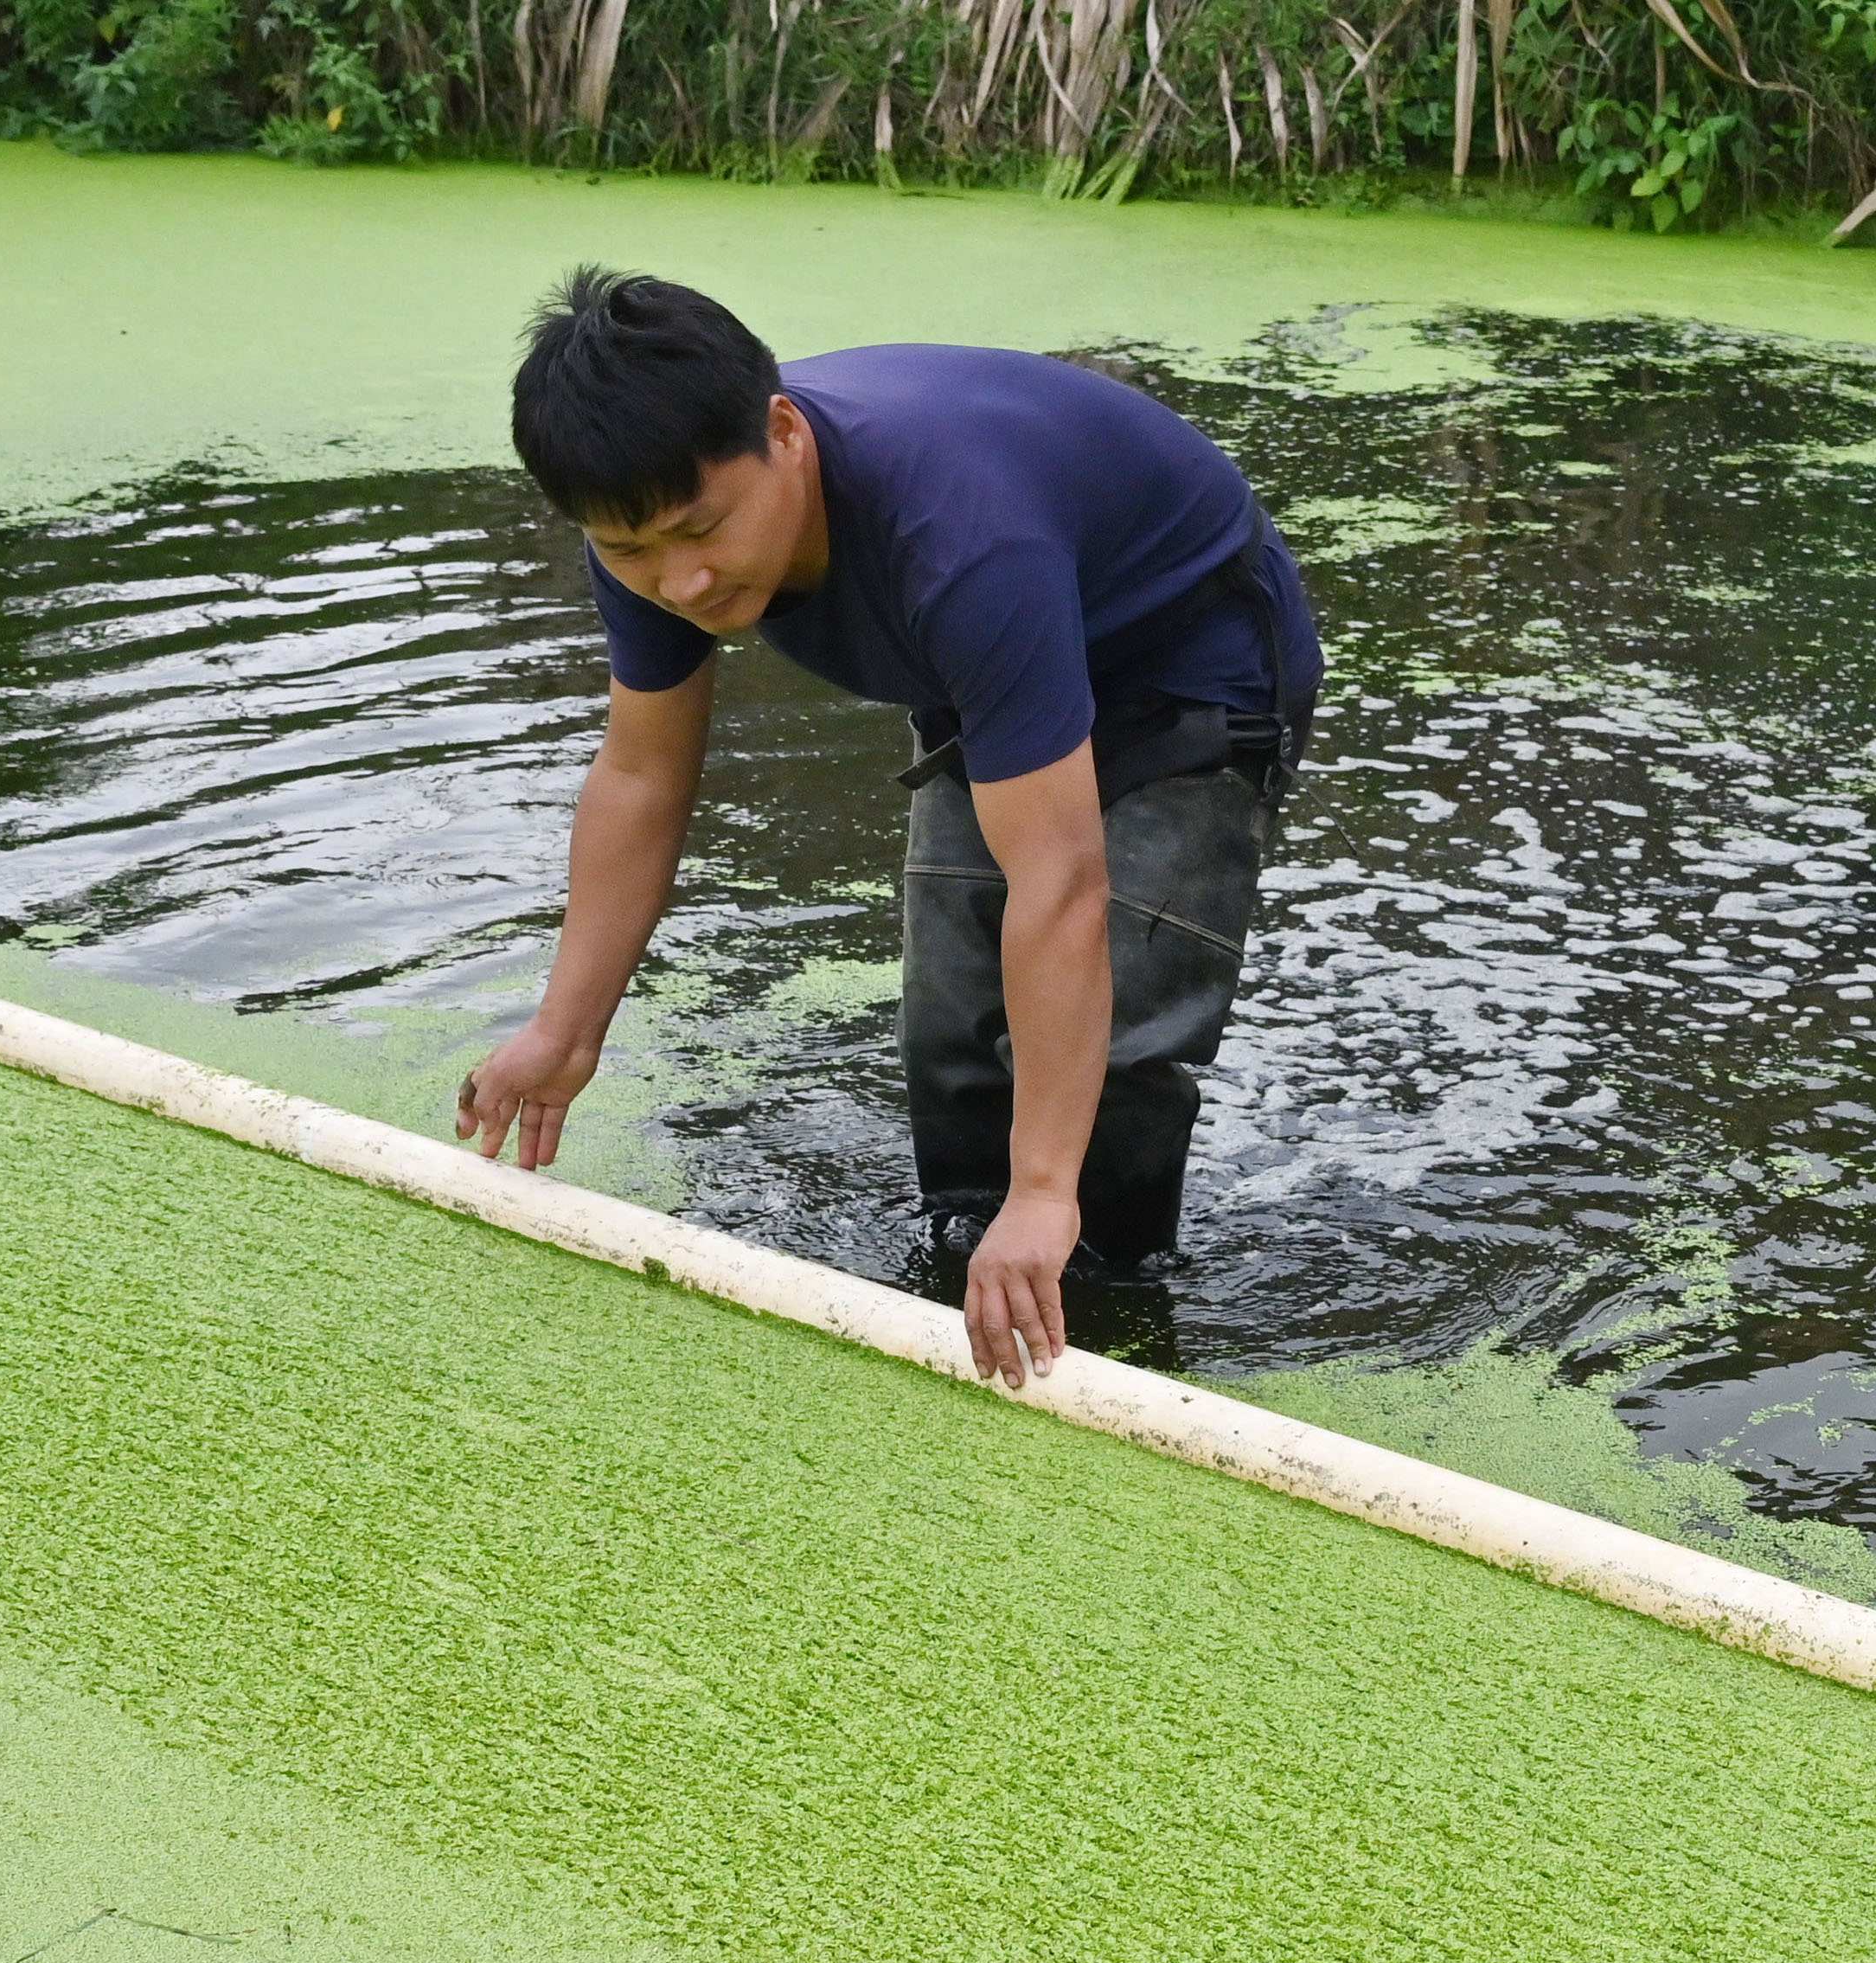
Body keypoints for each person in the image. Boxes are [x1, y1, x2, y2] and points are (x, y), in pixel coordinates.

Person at [451, 270, 1318, 1388]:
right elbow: (639, 776)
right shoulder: (638, 527)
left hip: (1187, 666)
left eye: (701, 529)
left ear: (783, 435)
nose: (684, 580)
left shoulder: (957, 538)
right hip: (986, 678)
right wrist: (566, 1034)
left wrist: (1046, 1190)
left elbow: (1058, 882)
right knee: (953, 1039)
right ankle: (970, 1283)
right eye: (633, 553)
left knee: (1114, 1067)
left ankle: (1110, 1328)